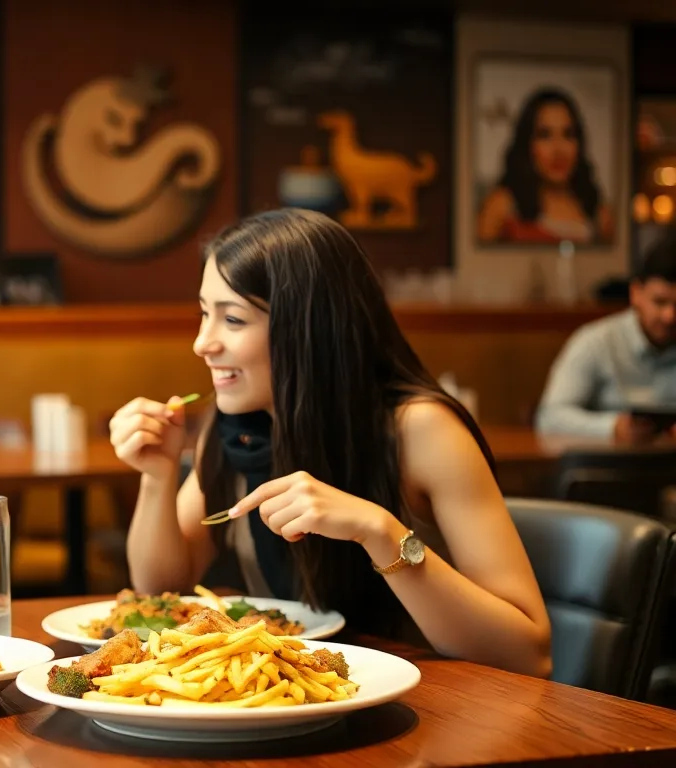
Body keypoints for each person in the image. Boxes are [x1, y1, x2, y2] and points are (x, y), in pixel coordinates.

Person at [109, 208, 552, 678]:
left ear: (308, 327)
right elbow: (161, 589)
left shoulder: (422, 431)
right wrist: (157, 476)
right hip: (297, 703)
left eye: (233, 320)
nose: (202, 343)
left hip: (429, 714)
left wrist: (379, 532)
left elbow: (528, 652)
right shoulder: (237, 428)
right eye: (204, 313)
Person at [536, 231, 676, 441]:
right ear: (636, 293)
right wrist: (613, 427)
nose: (670, 316)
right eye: (660, 302)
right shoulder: (595, 342)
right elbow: (550, 418)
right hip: (606, 470)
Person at [477, 87, 614, 245]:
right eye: (545, 135)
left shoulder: (598, 213)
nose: (559, 150)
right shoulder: (501, 205)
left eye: (568, 134)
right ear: (527, 143)